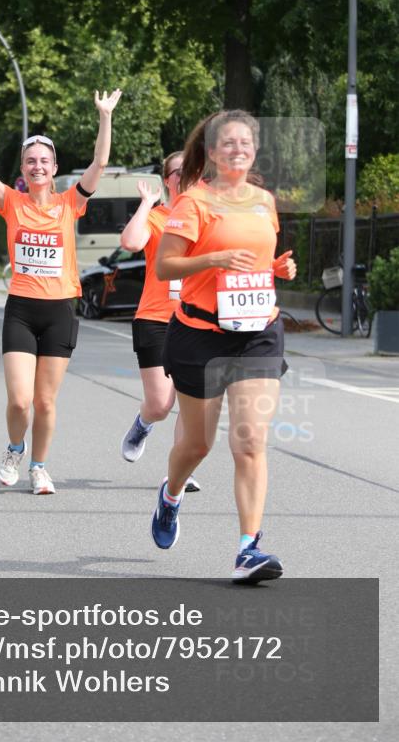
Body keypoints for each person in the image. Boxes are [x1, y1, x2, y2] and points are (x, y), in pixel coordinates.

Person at [0, 84, 122, 495]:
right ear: (24, 170)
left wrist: (105, 115)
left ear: (53, 166)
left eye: (44, 161)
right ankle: (15, 448)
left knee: (46, 402)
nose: (37, 166)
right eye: (30, 161)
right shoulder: (10, 201)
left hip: (61, 309)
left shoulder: (70, 203)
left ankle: (40, 467)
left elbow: (100, 161)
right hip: (22, 310)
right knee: (19, 401)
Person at [152, 110, 296, 583]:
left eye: (246, 143)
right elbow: (165, 267)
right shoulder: (193, 202)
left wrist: (275, 270)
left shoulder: (262, 201)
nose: (238, 150)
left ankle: (248, 549)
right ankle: (170, 495)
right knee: (197, 444)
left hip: (258, 333)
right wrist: (212, 258)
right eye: (228, 143)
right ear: (212, 152)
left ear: (254, 150)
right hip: (200, 336)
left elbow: (254, 260)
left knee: (251, 440)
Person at [119, 153, 199, 494]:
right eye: (179, 172)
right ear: (167, 179)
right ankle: (143, 424)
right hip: (154, 318)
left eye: (192, 170)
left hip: (195, 321)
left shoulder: (205, 218)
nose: (186, 176)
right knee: (161, 405)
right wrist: (146, 204)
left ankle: (178, 472)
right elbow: (131, 243)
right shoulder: (157, 218)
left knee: (191, 403)